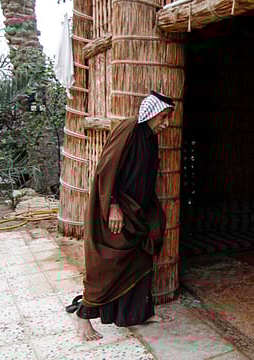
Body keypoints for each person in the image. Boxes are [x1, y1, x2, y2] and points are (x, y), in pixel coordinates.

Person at [66, 91, 174, 341]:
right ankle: (83, 315)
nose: (166, 124)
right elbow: (106, 168)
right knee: (109, 264)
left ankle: (138, 314)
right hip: (118, 211)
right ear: (153, 113)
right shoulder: (128, 130)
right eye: (165, 117)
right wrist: (113, 205)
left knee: (142, 260)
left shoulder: (151, 138)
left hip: (139, 212)